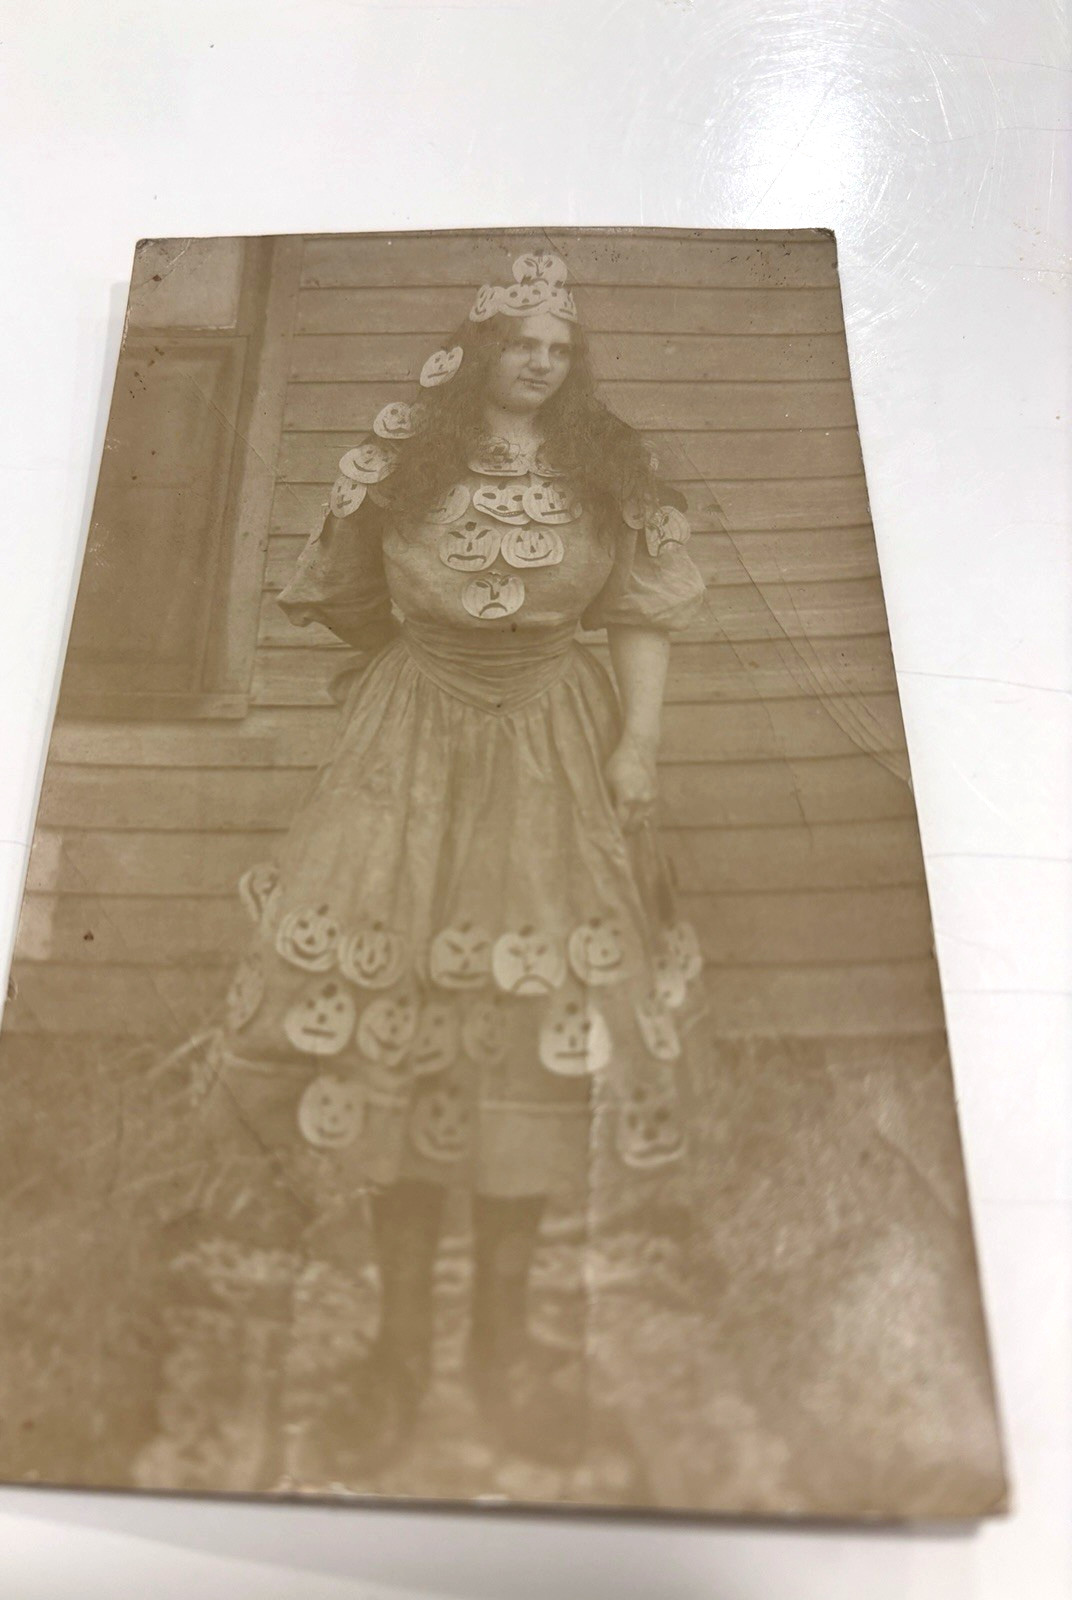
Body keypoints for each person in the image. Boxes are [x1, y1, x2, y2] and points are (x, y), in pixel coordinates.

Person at [210, 251, 711, 1477]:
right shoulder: (401, 460)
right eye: (520, 339)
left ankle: (497, 1355)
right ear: (479, 345)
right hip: (414, 756)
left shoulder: (610, 465)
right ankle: (394, 1359)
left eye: (558, 343)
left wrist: (637, 745)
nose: (539, 359)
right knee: (402, 1033)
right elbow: (351, 599)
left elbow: (641, 610)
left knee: (528, 1030)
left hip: (556, 755)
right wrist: (429, 681)